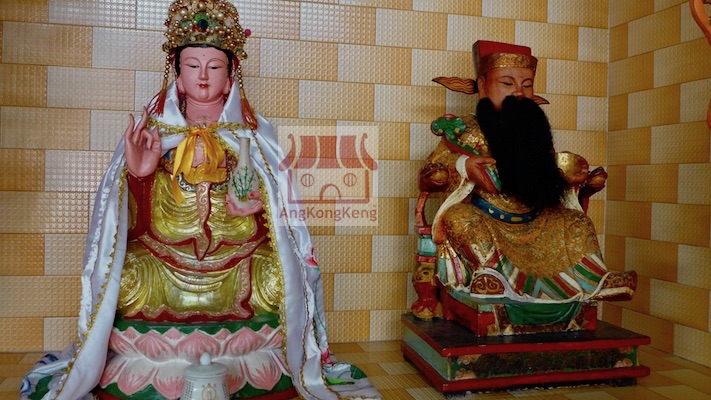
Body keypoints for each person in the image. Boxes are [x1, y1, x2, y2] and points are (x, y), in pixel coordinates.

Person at [20, 1, 380, 399]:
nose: (203, 76)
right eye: (192, 65)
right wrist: (139, 176)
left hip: (236, 262)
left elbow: (282, 226)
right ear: (177, 74)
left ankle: (198, 358)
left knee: (274, 278)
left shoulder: (254, 135)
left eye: (214, 66)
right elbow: (126, 226)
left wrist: (256, 209)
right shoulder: (154, 133)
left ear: (230, 77)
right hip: (165, 261)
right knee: (129, 279)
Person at [414, 41, 636, 318]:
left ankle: (593, 279)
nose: (518, 92)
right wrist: (463, 166)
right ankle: (492, 277)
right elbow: (432, 169)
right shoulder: (465, 131)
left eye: (527, 85)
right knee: (459, 218)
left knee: (576, 222)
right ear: (483, 85)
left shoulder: (534, 132)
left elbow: (546, 179)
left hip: (535, 217)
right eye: (507, 83)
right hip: (486, 217)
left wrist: (573, 181)